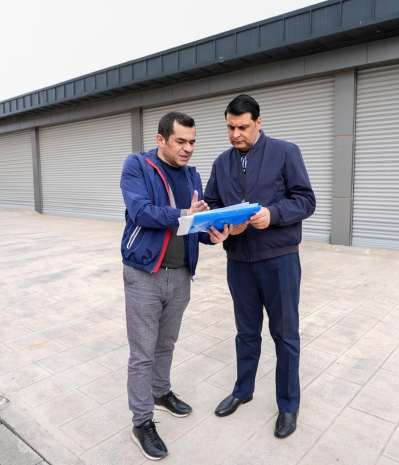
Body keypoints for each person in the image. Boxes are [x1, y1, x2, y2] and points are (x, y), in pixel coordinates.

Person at [120, 112, 232, 460]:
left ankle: (160, 391)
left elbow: (194, 225)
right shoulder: (137, 166)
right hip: (144, 273)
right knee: (143, 353)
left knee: (166, 343)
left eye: (192, 142)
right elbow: (141, 212)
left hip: (181, 273)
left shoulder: (192, 174)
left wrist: (214, 234)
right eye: (180, 141)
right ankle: (142, 422)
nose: (188, 148)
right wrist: (185, 214)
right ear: (161, 139)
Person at [204, 94, 316, 439]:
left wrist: (274, 214)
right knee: (246, 332)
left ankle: (288, 405)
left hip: (279, 260)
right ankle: (243, 390)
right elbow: (212, 205)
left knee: (285, 334)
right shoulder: (221, 163)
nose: (236, 134)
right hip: (239, 261)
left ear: (258, 122)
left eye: (242, 127)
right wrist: (220, 227)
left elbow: (305, 200)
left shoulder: (286, 152)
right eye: (230, 127)